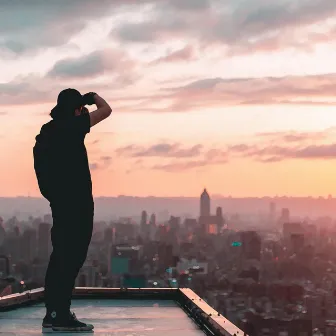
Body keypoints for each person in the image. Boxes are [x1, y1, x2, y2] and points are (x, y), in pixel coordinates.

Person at [33, 89, 112, 333]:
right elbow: (106, 110)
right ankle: (61, 315)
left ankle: (54, 313)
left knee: (60, 257)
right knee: (71, 259)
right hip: (77, 206)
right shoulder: (72, 126)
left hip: (59, 204)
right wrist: (93, 97)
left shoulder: (48, 131)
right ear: (76, 109)